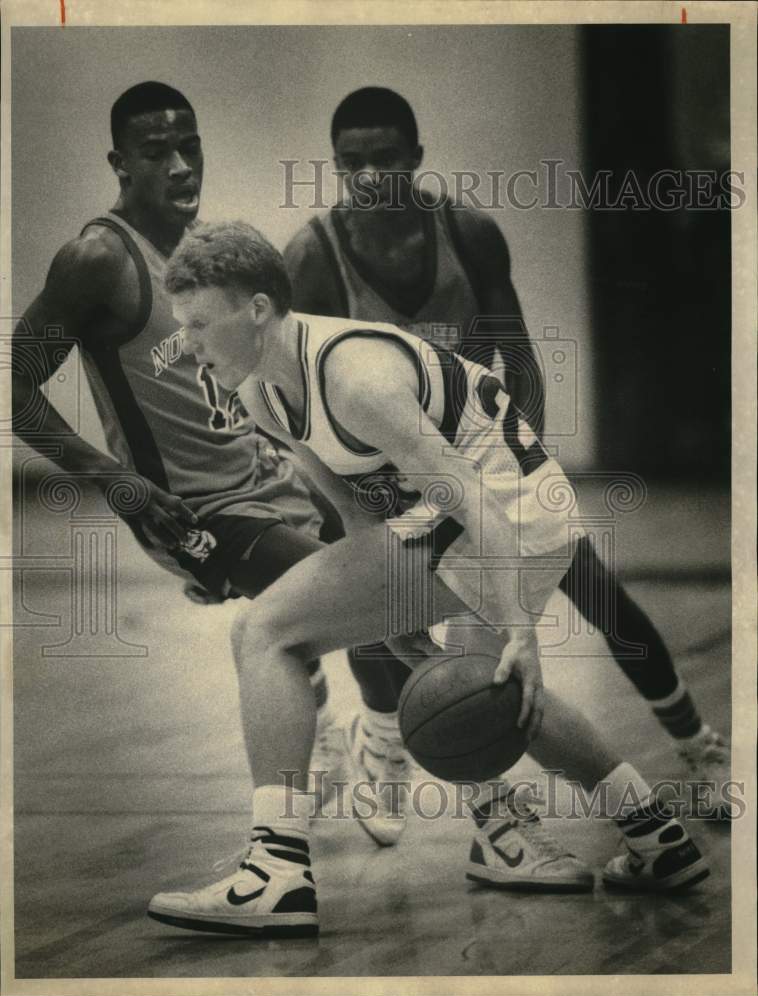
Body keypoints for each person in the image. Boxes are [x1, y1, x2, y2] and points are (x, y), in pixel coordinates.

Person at [146, 220, 710, 937]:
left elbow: (468, 494)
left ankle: (276, 871)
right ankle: (656, 834)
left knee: (264, 631)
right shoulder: (263, 392)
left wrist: (521, 628)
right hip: (512, 511)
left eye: (198, 323)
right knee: (490, 691)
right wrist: (393, 618)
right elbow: (354, 507)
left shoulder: (355, 378)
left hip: (498, 510)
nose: (187, 343)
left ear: (258, 309)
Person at [283, 86, 730, 843]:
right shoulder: (313, 258)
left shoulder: (467, 233)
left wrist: (522, 478)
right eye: (350, 162)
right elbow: (314, 399)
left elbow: (517, 361)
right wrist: (364, 506)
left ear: (417, 157)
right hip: (383, 470)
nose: (368, 176)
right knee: (374, 599)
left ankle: (700, 747)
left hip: (478, 452)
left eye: (385, 158)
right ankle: (385, 744)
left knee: (596, 590)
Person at [10, 81, 344, 794]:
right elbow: (16, 390)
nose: (181, 166)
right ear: (119, 164)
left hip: (266, 475)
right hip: (192, 510)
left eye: (189, 146)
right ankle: (471, 798)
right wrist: (115, 481)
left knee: (392, 568)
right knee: (362, 598)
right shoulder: (98, 260)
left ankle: (342, 722)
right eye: (157, 151)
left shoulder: (207, 252)